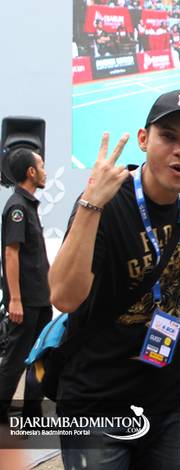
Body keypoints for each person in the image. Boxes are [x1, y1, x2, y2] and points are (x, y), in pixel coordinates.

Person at [48, 89, 180, 468]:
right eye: (167, 136)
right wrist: (91, 204)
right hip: (96, 403)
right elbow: (63, 297)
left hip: (164, 402)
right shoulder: (106, 201)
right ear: (143, 139)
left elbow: (178, 263)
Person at [0, 149, 50, 424]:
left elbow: (34, 255)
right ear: (31, 172)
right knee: (16, 359)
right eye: (41, 166)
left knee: (40, 357)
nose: (44, 171)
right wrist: (15, 300)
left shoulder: (29, 205)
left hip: (41, 299)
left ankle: (32, 411)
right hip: (26, 301)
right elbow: (11, 253)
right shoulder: (17, 207)